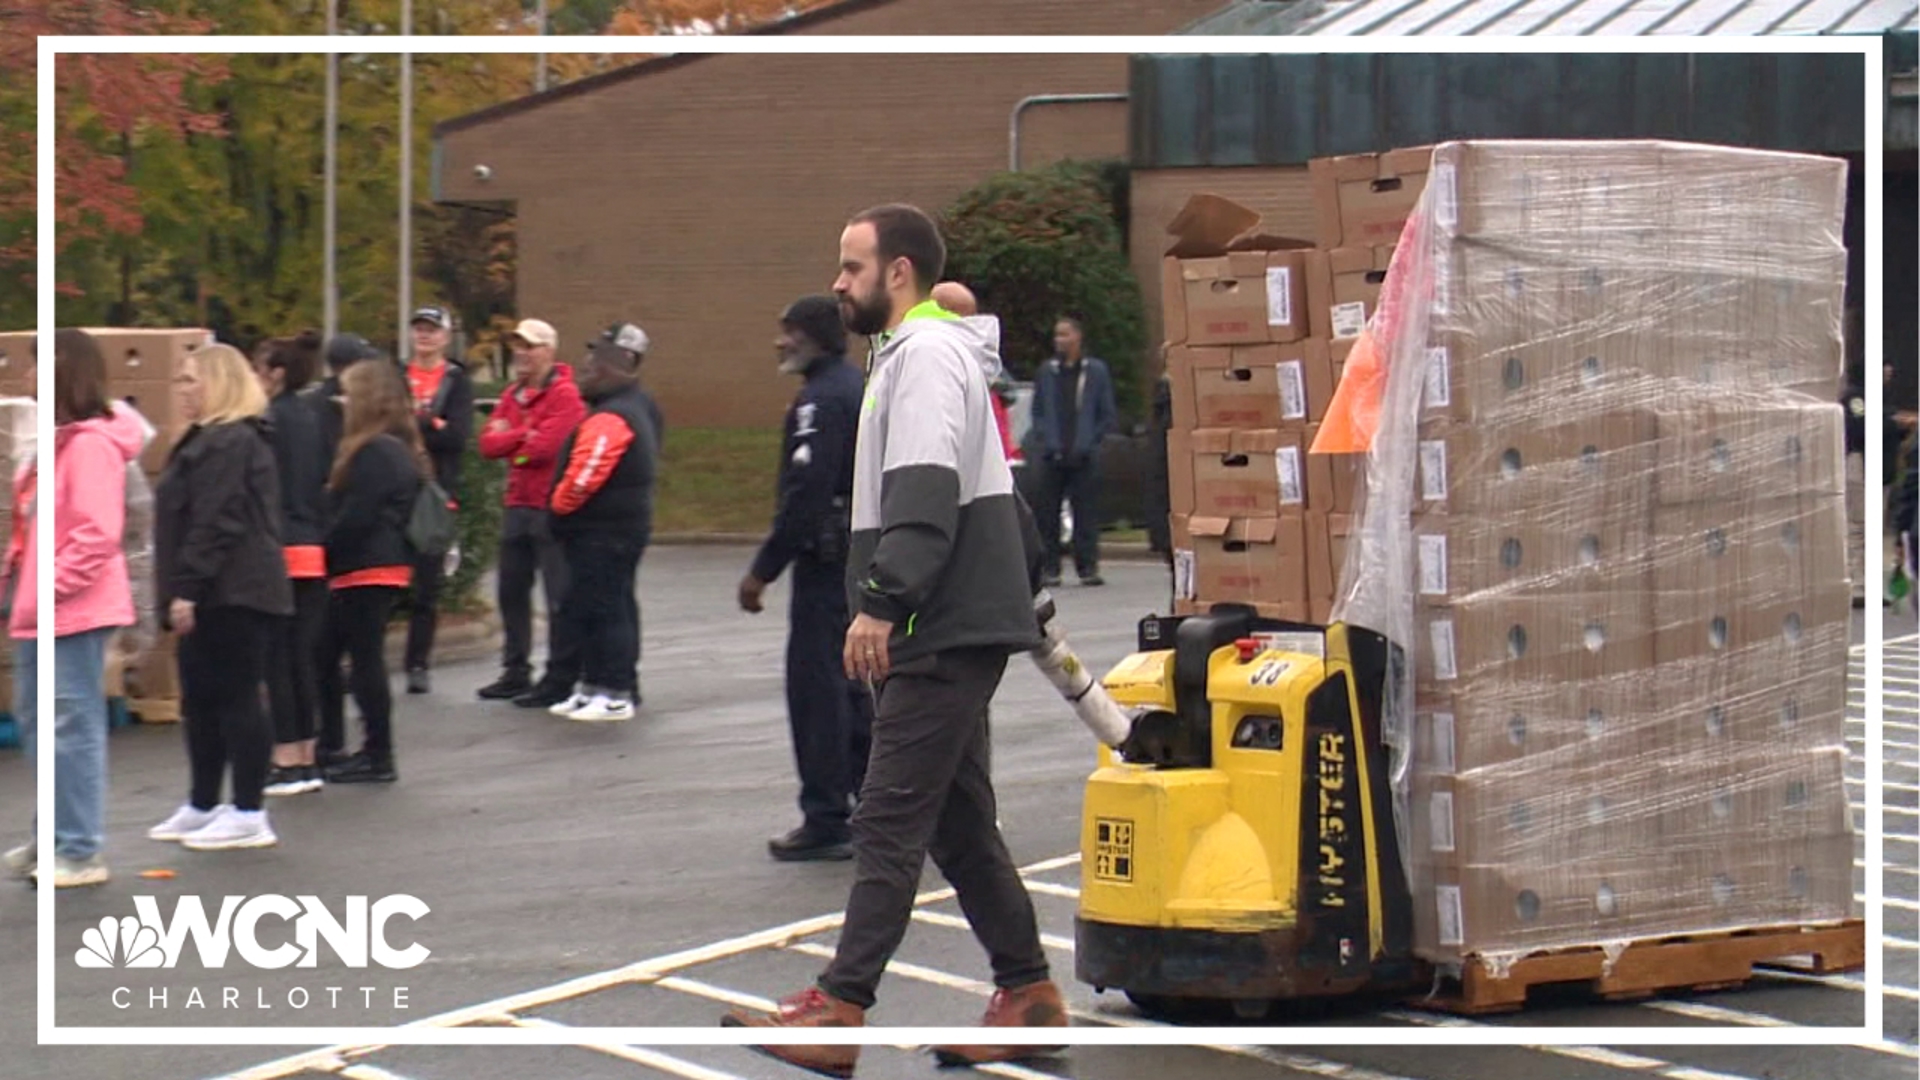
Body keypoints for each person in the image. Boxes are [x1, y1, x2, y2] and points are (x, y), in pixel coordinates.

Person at [723, 204, 1063, 1071]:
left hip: (939, 618)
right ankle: (1028, 994)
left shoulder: (921, 358)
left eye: (852, 267)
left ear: (898, 271)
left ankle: (842, 1008)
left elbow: (922, 488)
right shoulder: (926, 354)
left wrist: (881, 602)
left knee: (886, 813)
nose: (839, 283)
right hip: (956, 612)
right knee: (955, 821)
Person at [1, 330, 143, 887]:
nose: (25, 377)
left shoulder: (87, 445)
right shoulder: (58, 441)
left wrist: (45, 588)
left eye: (35, 366)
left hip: (69, 609)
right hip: (41, 608)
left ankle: (80, 849)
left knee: (70, 725)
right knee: (39, 722)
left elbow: (95, 533)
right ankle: (53, 838)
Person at [738, 296, 873, 862]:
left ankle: (825, 816)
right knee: (851, 688)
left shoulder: (822, 401)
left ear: (816, 336)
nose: (780, 342)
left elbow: (807, 492)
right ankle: (869, 800)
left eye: (789, 332)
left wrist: (763, 569)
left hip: (826, 563)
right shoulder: (856, 387)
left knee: (817, 691)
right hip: (857, 558)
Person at [148, 343, 294, 852]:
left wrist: (189, 587)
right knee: (203, 699)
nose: (182, 389)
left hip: (236, 590)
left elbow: (218, 520)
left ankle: (250, 809)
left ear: (219, 383)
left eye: (191, 380)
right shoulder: (205, 440)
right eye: (180, 380)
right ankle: (204, 801)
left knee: (235, 697)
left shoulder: (231, 441)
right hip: (217, 588)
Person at [543, 323, 659, 723]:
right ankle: (593, 686)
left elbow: (582, 478)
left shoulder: (613, 416)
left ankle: (614, 692)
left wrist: (557, 510)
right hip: (611, 532)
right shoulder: (639, 405)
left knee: (607, 610)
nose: (586, 366)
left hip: (604, 533)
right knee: (599, 608)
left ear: (623, 363)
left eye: (597, 359)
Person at [319, 360, 428, 784]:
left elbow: (358, 516)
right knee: (332, 656)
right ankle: (341, 745)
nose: (341, 402)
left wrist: (325, 546)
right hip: (373, 564)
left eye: (347, 393)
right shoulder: (393, 447)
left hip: (367, 565)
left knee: (361, 661)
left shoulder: (376, 450)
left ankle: (376, 752)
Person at [476, 318, 586, 703]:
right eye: (518, 345)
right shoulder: (511, 394)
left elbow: (545, 449)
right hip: (517, 505)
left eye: (531, 345)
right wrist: (524, 438)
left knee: (559, 594)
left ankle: (560, 674)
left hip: (550, 508)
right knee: (511, 591)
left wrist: (516, 444)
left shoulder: (566, 396)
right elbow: (488, 446)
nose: (522, 353)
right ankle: (515, 669)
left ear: (549, 352)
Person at [254, 333, 332, 797]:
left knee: (277, 660)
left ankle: (284, 755)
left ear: (276, 373)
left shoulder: (269, 423)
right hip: (312, 547)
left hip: (279, 547)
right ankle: (307, 754)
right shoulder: (312, 417)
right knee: (302, 658)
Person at [401, 306, 474, 695]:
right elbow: (387, 426)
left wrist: (423, 422)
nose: (424, 336)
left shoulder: (456, 381)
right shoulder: (397, 376)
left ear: (445, 337)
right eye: (419, 330)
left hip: (435, 491)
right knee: (377, 576)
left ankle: (418, 662)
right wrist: (432, 422)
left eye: (432, 330)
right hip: (395, 489)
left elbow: (458, 438)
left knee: (426, 585)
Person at [1030, 314, 1117, 588]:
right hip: (1052, 454)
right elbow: (1039, 411)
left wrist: (1091, 441)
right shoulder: (1048, 371)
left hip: (1083, 454)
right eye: (1057, 335)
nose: (1060, 340)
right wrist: (1046, 439)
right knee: (1048, 515)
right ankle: (1050, 568)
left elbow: (1105, 412)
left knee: (1086, 514)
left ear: (1078, 337)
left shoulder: (1095, 371)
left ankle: (1087, 566)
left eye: (1065, 334)